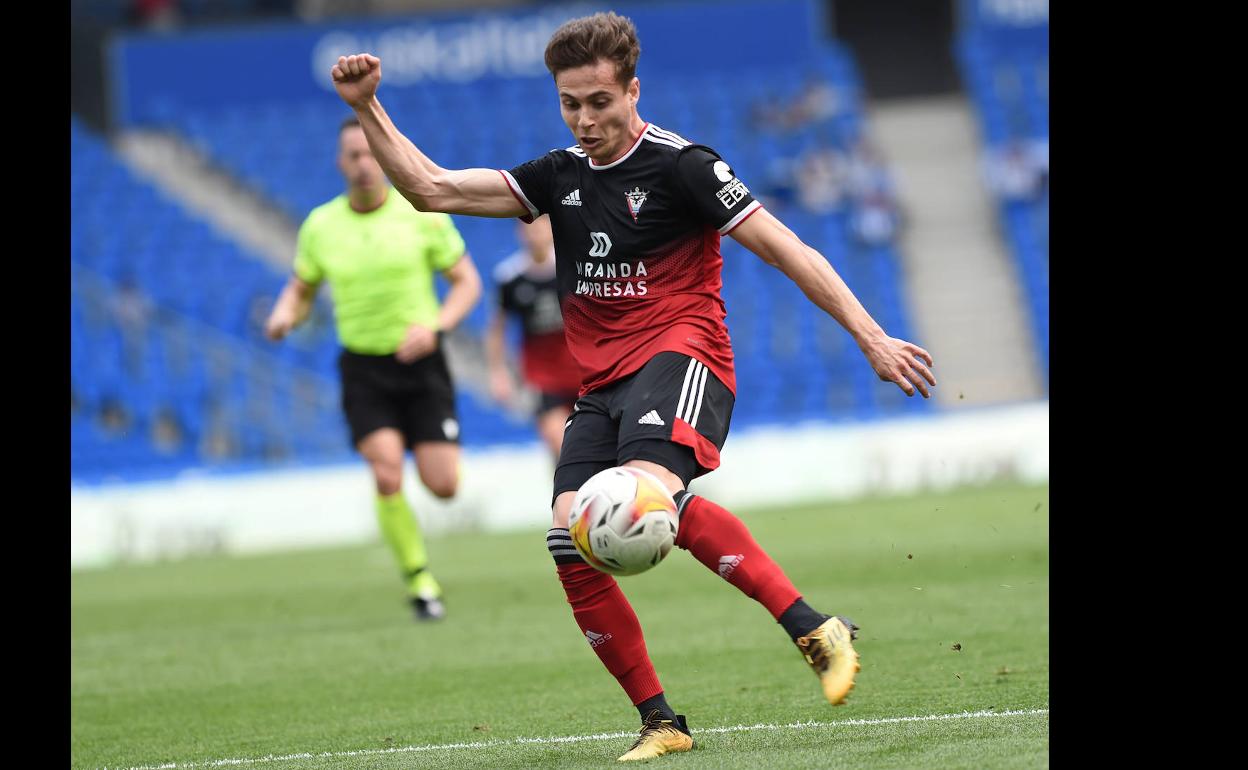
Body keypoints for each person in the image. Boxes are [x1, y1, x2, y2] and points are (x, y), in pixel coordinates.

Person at [329, 11, 934, 760]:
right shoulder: (559, 176)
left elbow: (784, 247)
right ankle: (662, 721)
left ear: (633, 90)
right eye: (570, 104)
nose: (585, 120)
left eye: (599, 103)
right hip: (603, 383)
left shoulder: (685, 167)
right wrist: (367, 107)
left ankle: (813, 629)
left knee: (643, 499)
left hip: (684, 358)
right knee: (567, 538)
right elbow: (428, 188)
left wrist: (871, 337)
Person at [264, 116, 482, 622]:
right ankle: (420, 581)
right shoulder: (321, 225)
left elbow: (467, 283)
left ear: (384, 159)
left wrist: (437, 327)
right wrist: (283, 315)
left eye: (371, 154)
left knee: (443, 486)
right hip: (364, 369)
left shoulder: (421, 213)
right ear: (341, 163)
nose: (364, 165)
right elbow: (301, 288)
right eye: (354, 156)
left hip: (422, 364)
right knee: (386, 470)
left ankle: (422, 554)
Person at [485, 215, 581, 461]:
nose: (535, 232)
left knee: (594, 448)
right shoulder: (510, 277)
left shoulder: (575, 268)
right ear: (520, 232)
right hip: (543, 379)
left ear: (552, 229)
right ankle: (566, 494)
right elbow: (497, 329)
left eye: (541, 226)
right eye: (529, 227)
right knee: (561, 447)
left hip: (585, 373)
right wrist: (498, 373)